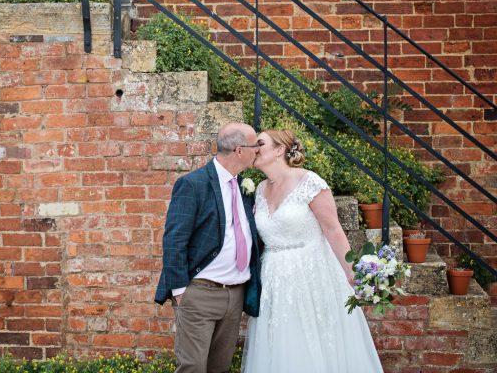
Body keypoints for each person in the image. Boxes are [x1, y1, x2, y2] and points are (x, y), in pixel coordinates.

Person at [242, 129, 383, 373]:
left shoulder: (310, 182)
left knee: (314, 341)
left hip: (311, 275)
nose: (254, 148)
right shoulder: (260, 189)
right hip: (273, 277)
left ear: (279, 150)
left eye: (260, 143)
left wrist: (353, 274)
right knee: (279, 342)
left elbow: (333, 230)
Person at [155, 122, 262, 373]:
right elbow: (174, 240)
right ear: (238, 150)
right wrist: (181, 292)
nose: (258, 149)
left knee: (219, 367)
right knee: (192, 367)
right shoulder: (193, 184)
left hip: (235, 294)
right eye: (254, 145)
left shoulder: (246, 187)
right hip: (199, 293)